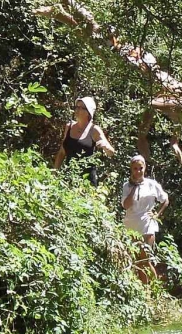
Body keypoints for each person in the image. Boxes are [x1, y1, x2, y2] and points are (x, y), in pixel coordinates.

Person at [119, 154, 169, 284]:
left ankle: (155, 288)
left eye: (140, 168)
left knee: (144, 259)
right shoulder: (127, 186)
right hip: (131, 226)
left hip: (147, 224)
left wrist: (157, 214)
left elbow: (165, 200)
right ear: (131, 169)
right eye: (135, 168)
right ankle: (144, 290)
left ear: (144, 168)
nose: (138, 171)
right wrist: (134, 187)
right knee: (136, 261)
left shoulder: (152, 184)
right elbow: (126, 205)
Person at [52, 95, 115, 180]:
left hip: (86, 183)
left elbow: (111, 152)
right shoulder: (69, 127)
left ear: (88, 112)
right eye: (77, 107)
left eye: (81, 108)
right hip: (68, 178)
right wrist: (54, 173)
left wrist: (105, 146)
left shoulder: (94, 130)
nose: (77, 110)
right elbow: (62, 152)